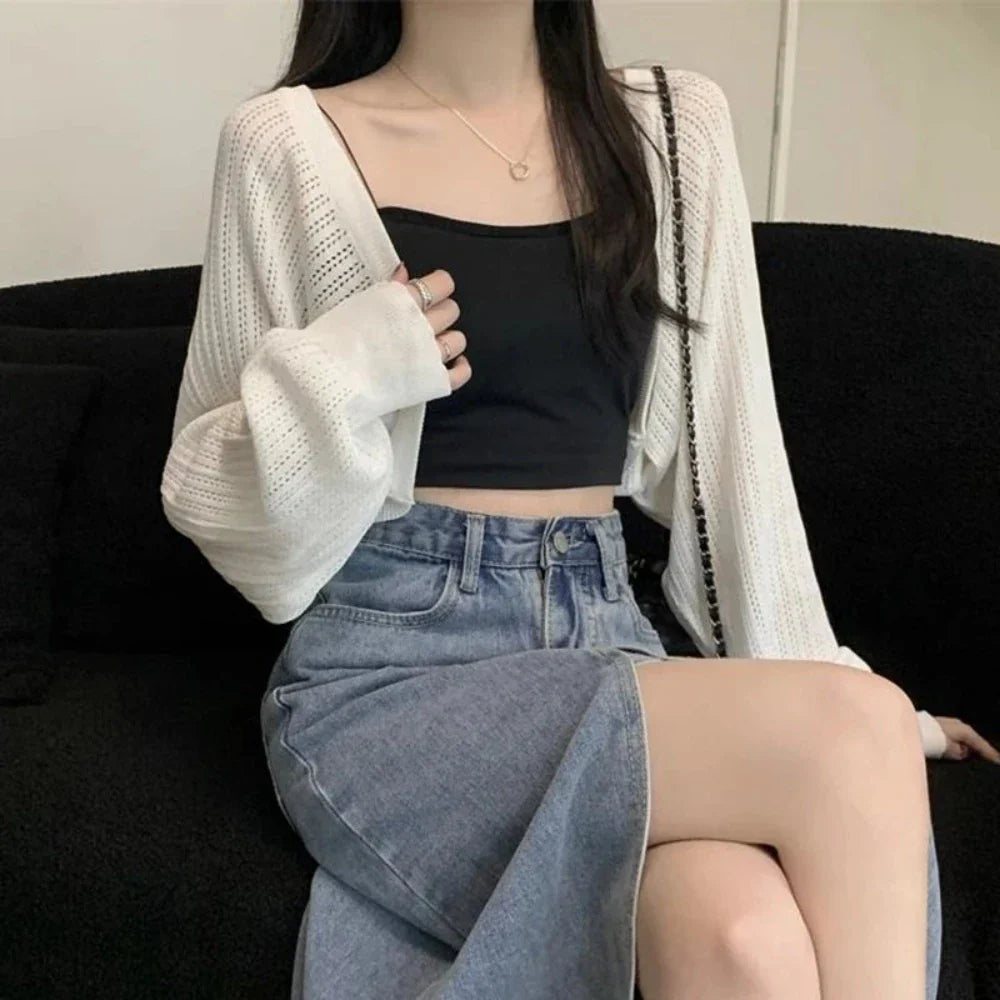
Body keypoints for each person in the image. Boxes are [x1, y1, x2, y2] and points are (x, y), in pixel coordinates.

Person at [160, 2, 997, 997]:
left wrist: (822, 688)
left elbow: (736, 464)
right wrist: (340, 375)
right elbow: (232, 519)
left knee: (744, 937)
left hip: (605, 637)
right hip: (390, 668)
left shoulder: (673, 130)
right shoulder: (284, 143)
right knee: (856, 730)